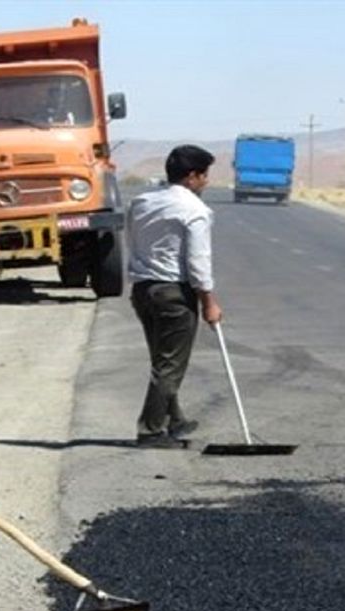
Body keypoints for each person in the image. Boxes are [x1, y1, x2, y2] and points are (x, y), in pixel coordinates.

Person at [126, 145, 223, 448]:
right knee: (169, 365)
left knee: (162, 359)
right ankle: (150, 431)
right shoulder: (195, 211)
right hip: (173, 295)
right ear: (192, 176)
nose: (206, 181)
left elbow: (132, 241)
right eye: (204, 176)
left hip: (143, 290)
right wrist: (209, 302)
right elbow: (198, 262)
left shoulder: (142, 202)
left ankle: (174, 419)